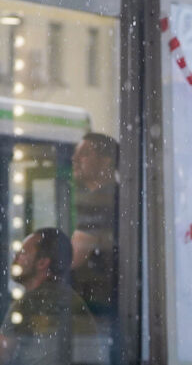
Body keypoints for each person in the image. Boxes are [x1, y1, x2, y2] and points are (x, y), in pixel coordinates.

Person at [0, 228, 96, 365]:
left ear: (42, 263)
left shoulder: (29, 303)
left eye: (23, 252)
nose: (16, 257)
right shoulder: (73, 300)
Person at [70, 132, 118, 316]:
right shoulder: (117, 194)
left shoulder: (100, 199)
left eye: (84, 153)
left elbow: (75, 257)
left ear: (106, 161)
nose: (74, 159)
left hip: (101, 307)